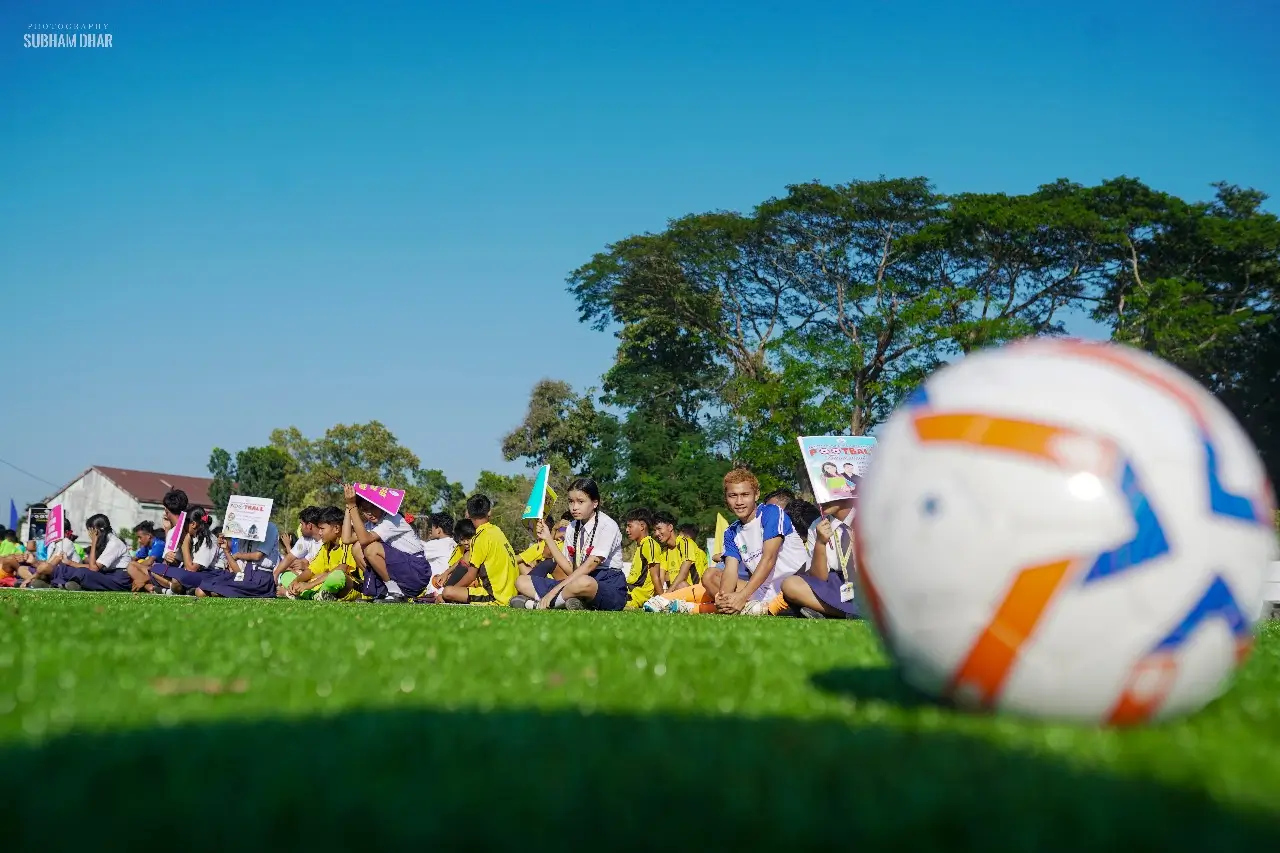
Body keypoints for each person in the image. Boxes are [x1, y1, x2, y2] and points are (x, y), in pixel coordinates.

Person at [647, 468, 808, 615]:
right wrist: (724, 596)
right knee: (710, 575)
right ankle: (750, 608)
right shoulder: (731, 532)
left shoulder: (771, 512)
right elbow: (730, 570)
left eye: (745, 495)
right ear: (726, 498)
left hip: (795, 586)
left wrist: (742, 596)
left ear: (756, 495)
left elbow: (769, 558)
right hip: (761, 592)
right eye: (733, 496)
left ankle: (687, 607)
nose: (739, 502)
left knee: (785, 587)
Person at [510, 477, 626, 611]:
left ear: (595, 503)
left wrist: (554, 591)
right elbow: (570, 569)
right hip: (575, 582)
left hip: (607, 585)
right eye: (571, 501)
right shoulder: (572, 527)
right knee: (522, 581)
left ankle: (540, 605)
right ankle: (571, 601)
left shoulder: (607, 525)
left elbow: (589, 566)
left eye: (581, 501)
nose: (574, 507)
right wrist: (548, 538)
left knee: (584, 582)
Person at [343, 484, 432, 602]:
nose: (369, 513)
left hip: (417, 571)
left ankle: (395, 593)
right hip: (403, 570)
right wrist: (348, 507)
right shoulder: (371, 525)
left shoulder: (393, 519)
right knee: (356, 549)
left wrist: (352, 505)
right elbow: (346, 539)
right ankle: (384, 592)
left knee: (371, 548)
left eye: (373, 507)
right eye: (364, 509)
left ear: (381, 505)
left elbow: (364, 539)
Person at [780, 497, 859, 620]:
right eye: (817, 493)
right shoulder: (817, 525)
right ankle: (848, 613)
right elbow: (819, 578)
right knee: (790, 585)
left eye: (827, 492)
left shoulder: (869, 517)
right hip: (837, 584)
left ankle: (828, 612)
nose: (821, 499)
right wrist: (820, 543)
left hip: (868, 584)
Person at [438, 495, 519, 606]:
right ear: (489, 512)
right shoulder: (497, 530)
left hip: (496, 596)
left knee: (447, 592)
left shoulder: (479, 538)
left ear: (468, 514)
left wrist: (453, 591)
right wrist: (447, 573)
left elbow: (471, 576)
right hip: (512, 593)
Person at [281, 506, 364, 600]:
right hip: (324, 583)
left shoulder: (347, 542)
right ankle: (316, 596)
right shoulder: (326, 546)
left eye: (322, 529)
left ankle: (310, 594)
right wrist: (296, 581)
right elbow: (312, 570)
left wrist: (309, 585)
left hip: (350, 586)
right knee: (286, 576)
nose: (319, 532)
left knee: (337, 576)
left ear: (336, 528)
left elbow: (342, 569)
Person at [198, 524, 280, 598]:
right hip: (242, 576)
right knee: (200, 590)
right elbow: (238, 571)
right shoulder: (243, 532)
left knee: (212, 590)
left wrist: (238, 555)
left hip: (260, 579)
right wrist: (226, 550)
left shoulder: (270, 528)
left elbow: (257, 556)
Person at [150, 507, 220, 595]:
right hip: (190, 573)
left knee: (177, 578)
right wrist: (169, 557)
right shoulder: (192, 537)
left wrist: (185, 544)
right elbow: (178, 562)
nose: (183, 528)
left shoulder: (208, 539)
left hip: (208, 574)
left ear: (193, 524)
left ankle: (174, 589)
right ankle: (173, 588)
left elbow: (191, 569)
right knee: (156, 568)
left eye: (185, 525)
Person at [56, 513, 133, 592]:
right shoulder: (104, 541)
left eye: (91, 531)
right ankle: (68, 583)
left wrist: (94, 542)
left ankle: (75, 584)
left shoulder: (114, 543)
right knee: (66, 568)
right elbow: (92, 566)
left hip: (119, 578)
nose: (90, 534)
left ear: (97, 531)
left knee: (84, 573)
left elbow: (93, 568)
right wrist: (69, 563)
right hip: (106, 573)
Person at [621, 508, 661, 608]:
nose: (627, 530)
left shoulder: (650, 545)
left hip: (634, 596)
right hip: (628, 590)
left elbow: (655, 576)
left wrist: (663, 600)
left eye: (630, 526)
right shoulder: (640, 545)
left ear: (642, 526)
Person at [273, 506, 323, 588]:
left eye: (301, 524)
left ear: (309, 525)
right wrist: (276, 574)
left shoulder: (327, 540)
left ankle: (291, 591)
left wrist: (306, 567)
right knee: (286, 576)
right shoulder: (306, 539)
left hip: (320, 578)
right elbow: (290, 558)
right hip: (309, 577)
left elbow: (328, 569)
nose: (300, 528)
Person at [653, 512, 700, 593]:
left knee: (681, 585)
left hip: (696, 592)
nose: (656, 533)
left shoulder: (686, 543)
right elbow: (661, 578)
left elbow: (683, 574)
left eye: (659, 529)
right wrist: (660, 595)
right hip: (677, 593)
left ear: (670, 527)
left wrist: (667, 594)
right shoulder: (664, 552)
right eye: (655, 530)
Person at [420, 512, 458, 592]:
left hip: (437, 590)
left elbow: (416, 549)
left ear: (438, 530)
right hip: (450, 589)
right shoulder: (454, 543)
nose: (431, 530)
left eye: (432, 527)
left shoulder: (436, 544)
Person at [125, 521, 167, 591]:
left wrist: (136, 565)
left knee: (132, 566)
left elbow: (149, 562)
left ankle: (148, 586)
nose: (139, 540)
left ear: (149, 536)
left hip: (162, 573)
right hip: (152, 572)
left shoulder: (159, 544)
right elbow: (135, 558)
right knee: (131, 566)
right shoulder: (146, 546)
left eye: (140, 537)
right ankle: (151, 587)